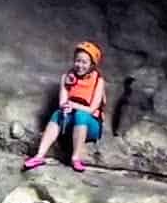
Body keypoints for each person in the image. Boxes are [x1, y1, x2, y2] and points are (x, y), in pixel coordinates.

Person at [23, 40, 108, 173]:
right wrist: (65, 107)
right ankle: (39, 155)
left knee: (81, 115)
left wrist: (74, 105)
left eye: (84, 62)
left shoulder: (99, 81)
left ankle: (76, 158)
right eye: (78, 61)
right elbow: (62, 102)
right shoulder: (66, 78)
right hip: (70, 122)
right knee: (57, 113)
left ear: (92, 64)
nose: (80, 65)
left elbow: (92, 109)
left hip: (90, 124)